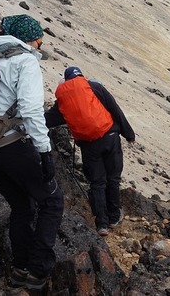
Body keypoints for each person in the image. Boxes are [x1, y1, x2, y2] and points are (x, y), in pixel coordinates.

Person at [0, 14, 63, 290]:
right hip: (10, 144)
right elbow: (31, 109)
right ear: (28, 38)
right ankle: (37, 272)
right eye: (38, 38)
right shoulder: (25, 61)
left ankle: (20, 270)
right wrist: (45, 152)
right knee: (52, 202)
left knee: (22, 205)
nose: (40, 43)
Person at [45, 66, 135, 237]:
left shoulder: (63, 99)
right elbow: (115, 109)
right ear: (81, 77)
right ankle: (114, 217)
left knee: (97, 183)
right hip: (109, 137)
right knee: (113, 178)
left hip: (88, 145)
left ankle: (102, 224)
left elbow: (49, 119)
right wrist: (128, 134)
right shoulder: (94, 86)